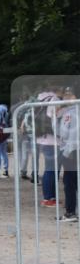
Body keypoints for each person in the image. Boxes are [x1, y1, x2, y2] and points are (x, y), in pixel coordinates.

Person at [56, 86, 78, 221]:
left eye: (70, 94)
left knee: (69, 182)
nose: (67, 97)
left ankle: (70, 212)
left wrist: (55, 119)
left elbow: (62, 133)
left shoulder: (68, 113)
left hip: (71, 150)